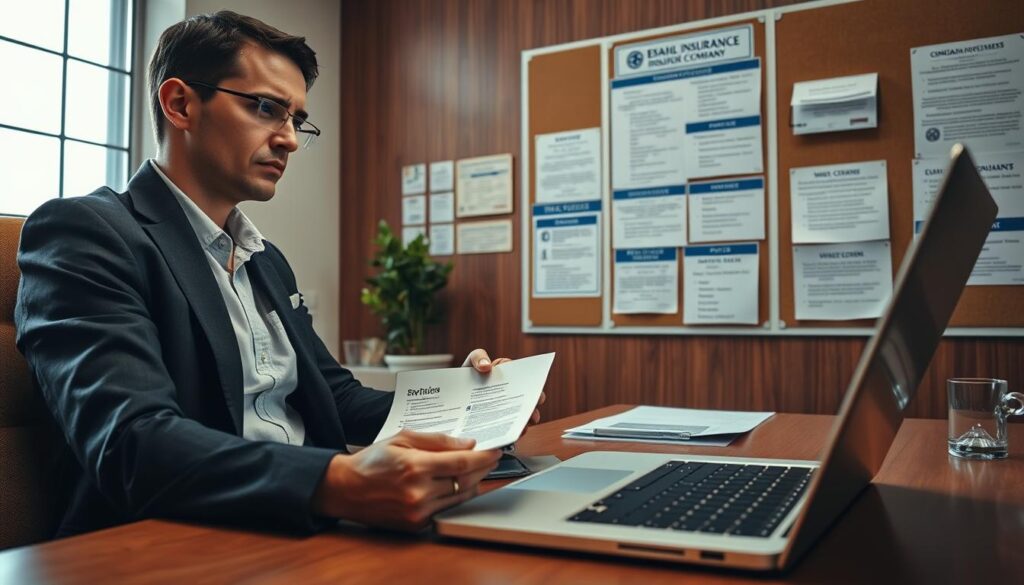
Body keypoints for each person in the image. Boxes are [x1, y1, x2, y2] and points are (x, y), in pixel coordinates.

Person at [14, 10, 543, 538]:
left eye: (296, 119)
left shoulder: (264, 259)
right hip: (173, 541)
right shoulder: (85, 232)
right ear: (180, 104)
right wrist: (335, 482)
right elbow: (132, 442)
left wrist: (474, 402)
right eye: (267, 108)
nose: (289, 139)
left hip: (307, 528)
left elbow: (335, 397)